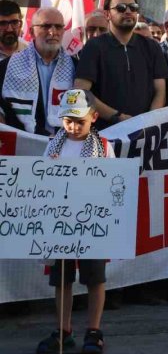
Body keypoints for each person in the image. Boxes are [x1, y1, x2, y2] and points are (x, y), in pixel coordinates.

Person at [35, 89, 115, 354]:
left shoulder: (104, 147)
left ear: (93, 117)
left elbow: (114, 184)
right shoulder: (53, 144)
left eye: (79, 120)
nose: (73, 126)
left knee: (94, 277)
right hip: (61, 222)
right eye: (68, 120)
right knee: (62, 278)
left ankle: (94, 329)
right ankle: (63, 329)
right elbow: (41, 183)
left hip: (91, 222)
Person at [74, 0, 168, 130]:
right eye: (121, 8)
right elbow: (82, 90)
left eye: (133, 7)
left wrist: (150, 120)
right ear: (107, 14)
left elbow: (160, 90)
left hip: (145, 134)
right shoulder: (93, 47)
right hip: (106, 135)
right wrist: (117, 117)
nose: (128, 11)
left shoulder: (152, 47)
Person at [0, 7, 75, 135]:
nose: (53, 32)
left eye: (58, 27)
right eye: (46, 26)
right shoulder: (6, 68)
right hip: (24, 144)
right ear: (31, 31)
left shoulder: (75, 67)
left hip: (65, 143)